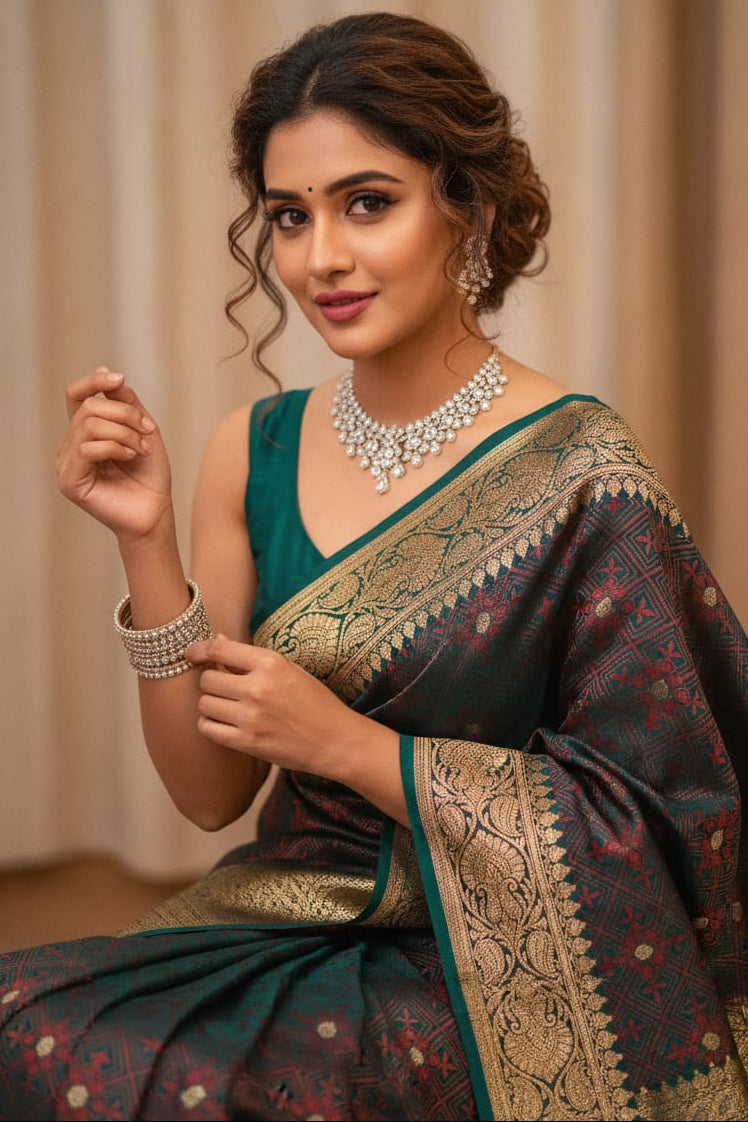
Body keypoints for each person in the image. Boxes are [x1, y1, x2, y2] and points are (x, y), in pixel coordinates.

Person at [1, 10, 746, 1121]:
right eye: (288, 218)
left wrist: (347, 747)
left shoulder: (582, 470)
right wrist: (142, 538)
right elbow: (207, 798)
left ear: (467, 206)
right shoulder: (246, 451)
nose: (320, 259)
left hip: (491, 961)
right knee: (22, 1020)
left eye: (367, 203)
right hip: (282, 914)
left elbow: (671, 815)